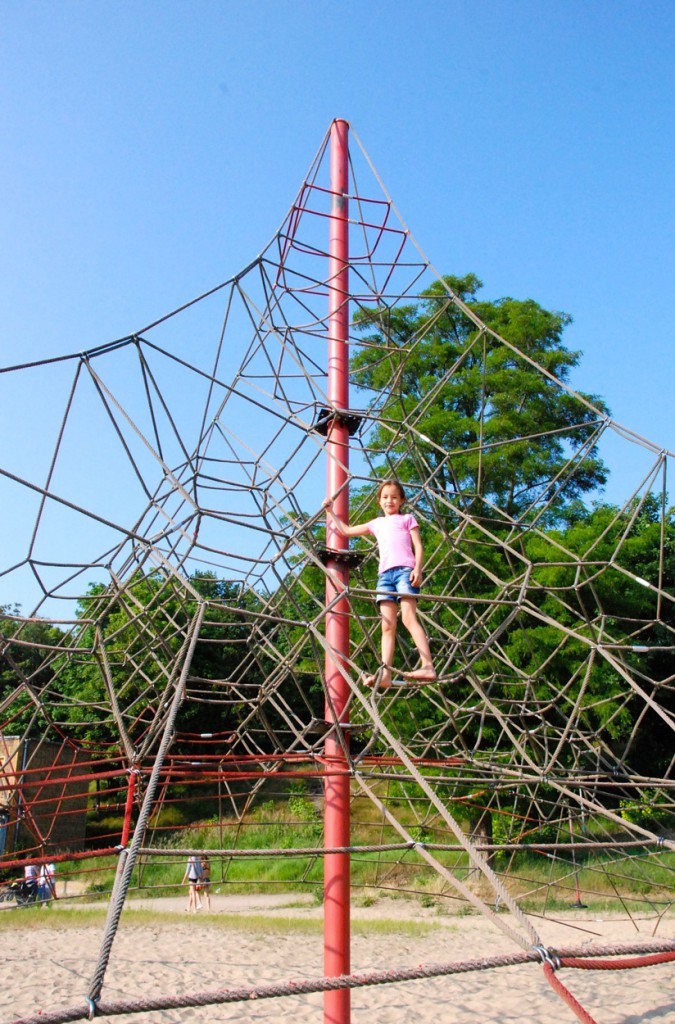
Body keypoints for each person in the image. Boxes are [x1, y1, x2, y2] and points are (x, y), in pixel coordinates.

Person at [323, 480, 436, 688]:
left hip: (405, 571)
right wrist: (330, 512)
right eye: (385, 497)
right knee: (387, 625)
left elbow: (418, 546)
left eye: (394, 497)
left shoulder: (407, 519)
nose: (389, 501)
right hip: (385, 576)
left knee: (408, 618)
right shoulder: (377, 523)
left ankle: (427, 664)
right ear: (379, 501)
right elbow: (346, 531)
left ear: (402, 500)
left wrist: (418, 569)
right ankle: (385, 674)